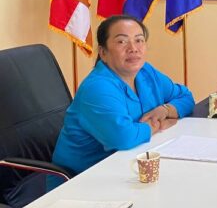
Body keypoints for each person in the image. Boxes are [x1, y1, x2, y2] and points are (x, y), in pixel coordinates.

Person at [52, 15, 194, 176]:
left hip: (130, 167)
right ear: (103, 53)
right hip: (83, 179)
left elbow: (186, 97)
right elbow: (123, 137)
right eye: (122, 41)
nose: (133, 48)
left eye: (139, 40)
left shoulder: (146, 72)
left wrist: (165, 110)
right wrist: (156, 125)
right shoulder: (97, 88)